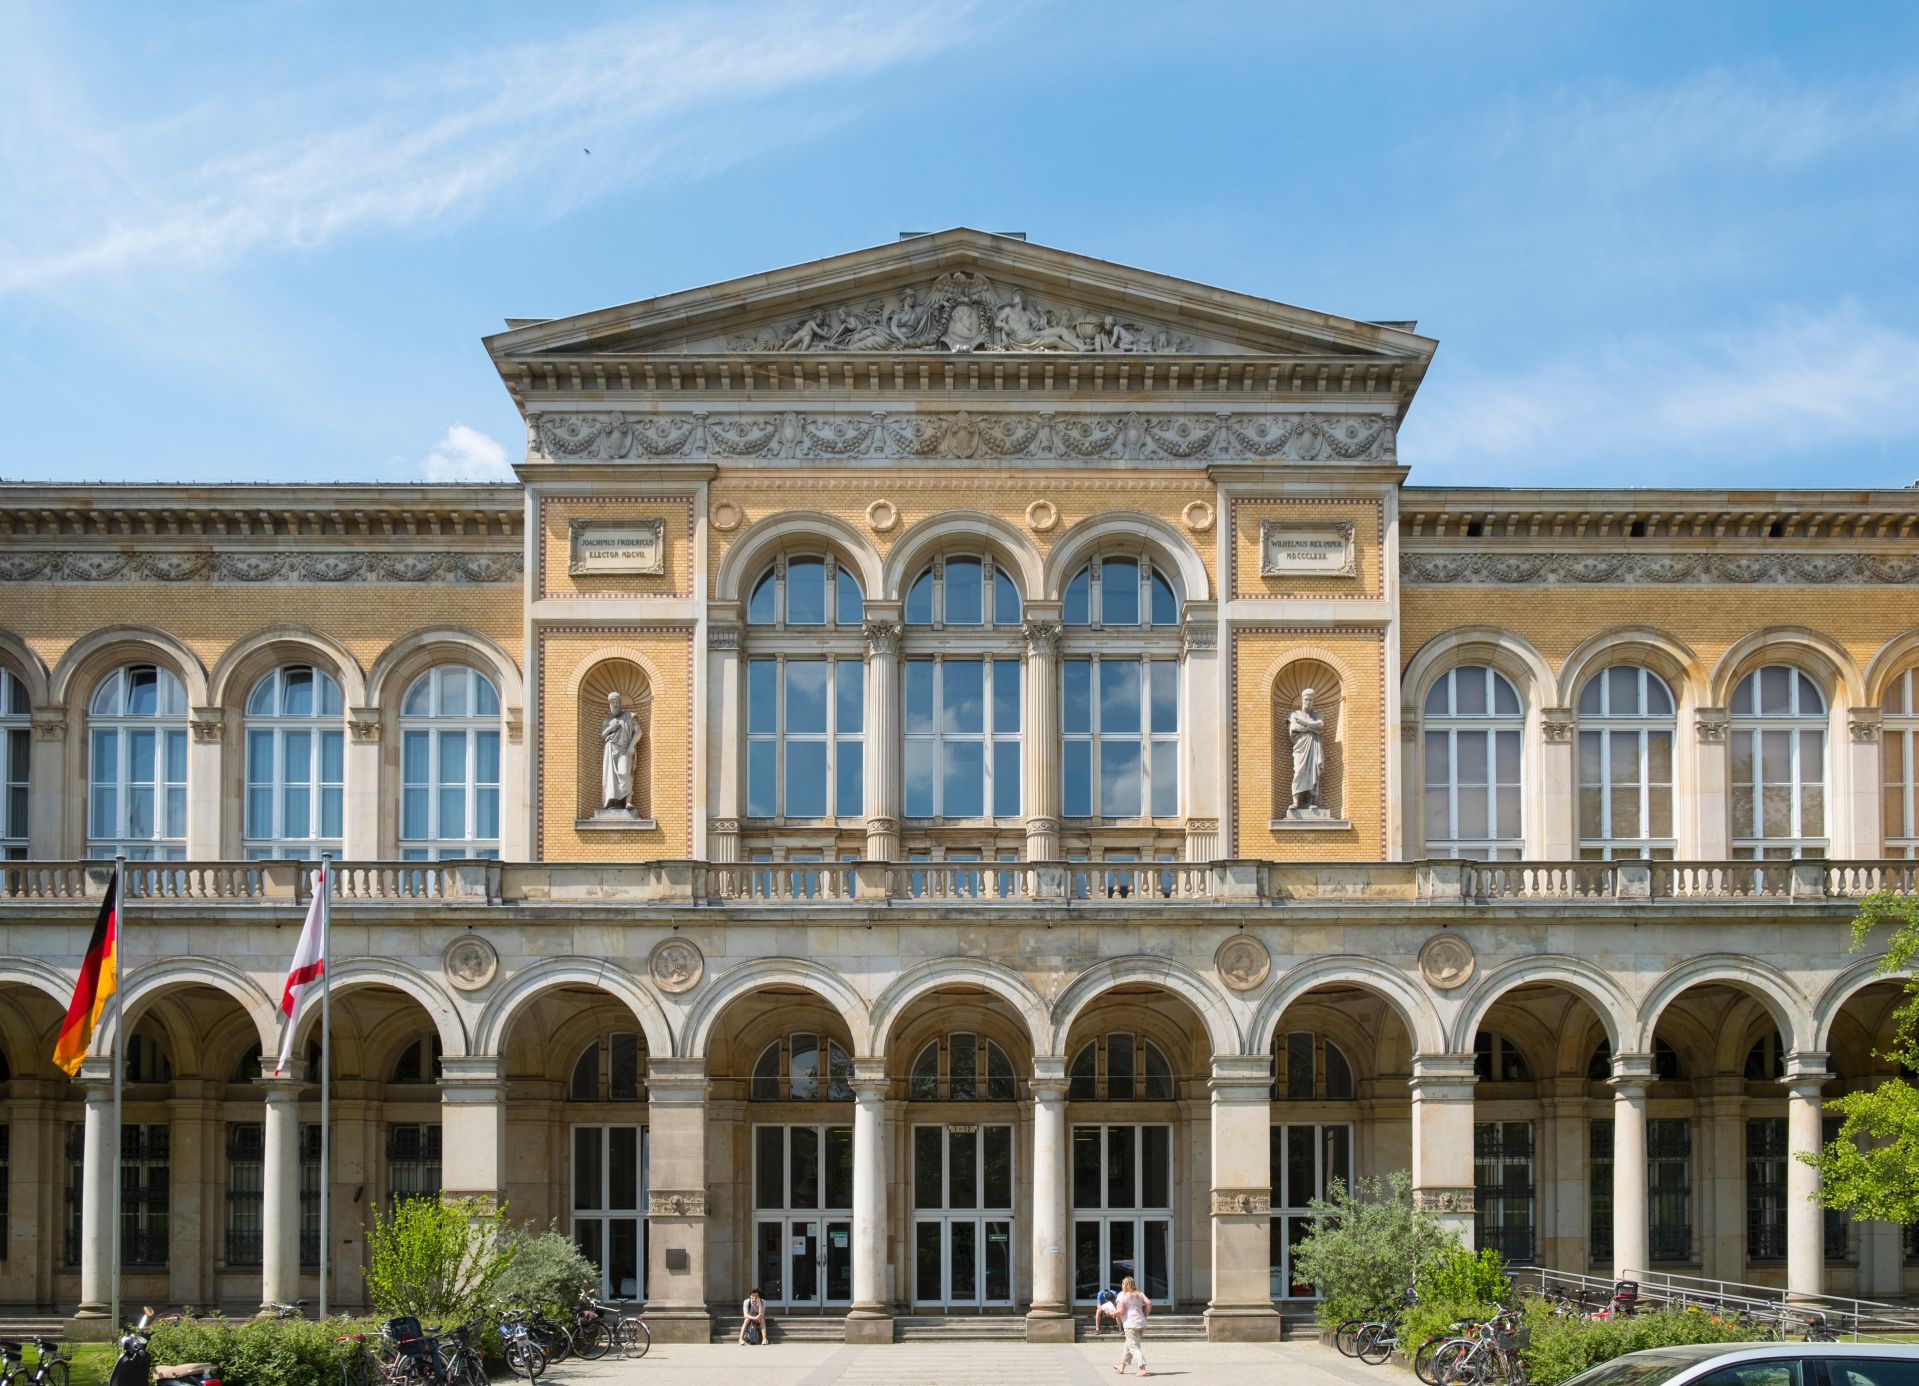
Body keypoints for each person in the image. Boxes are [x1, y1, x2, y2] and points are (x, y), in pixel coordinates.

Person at [1112, 1275, 1150, 1377]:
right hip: (1141, 1323)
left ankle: (1142, 1369)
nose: (1122, 1285)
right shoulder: (1139, 1294)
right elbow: (1149, 1303)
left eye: (1123, 1283)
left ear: (1126, 1285)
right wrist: (1145, 1315)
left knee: (1133, 1346)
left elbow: (1120, 1311)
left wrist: (1111, 1313)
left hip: (1130, 1324)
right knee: (1128, 1344)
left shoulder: (1122, 1295)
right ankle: (1122, 1366)